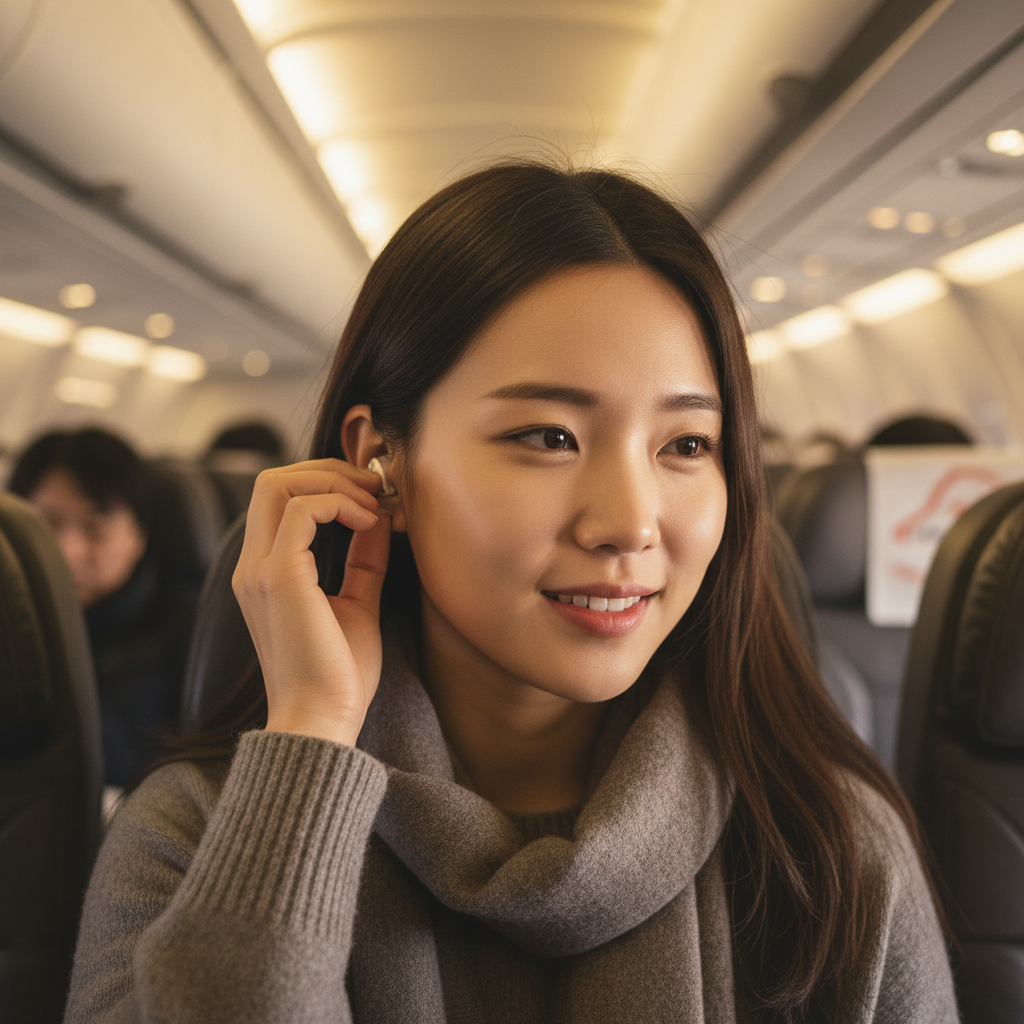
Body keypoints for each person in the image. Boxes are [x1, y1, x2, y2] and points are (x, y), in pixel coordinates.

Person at [64, 164, 958, 1023]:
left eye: (686, 445)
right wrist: (308, 736)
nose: (631, 523)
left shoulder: (829, 853)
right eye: (548, 435)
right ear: (384, 464)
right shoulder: (194, 841)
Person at [9, 428, 196, 788]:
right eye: (45, 524)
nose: (67, 552)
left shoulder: (191, 630)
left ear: (137, 537)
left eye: (94, 529)